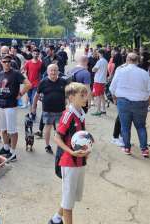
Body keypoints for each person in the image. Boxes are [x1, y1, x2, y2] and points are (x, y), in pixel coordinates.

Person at [48, 82, 91, 224]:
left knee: (71, 196)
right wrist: (71, 152)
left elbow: (81, 136)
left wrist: (88, 146)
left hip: (81, 160)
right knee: (68, 201)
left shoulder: (80, 113)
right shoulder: (68, 114)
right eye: (82, 95)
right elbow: (57, 137)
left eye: (86, 94)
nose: (86, 97)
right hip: (69, 162)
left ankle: (56, 219)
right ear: (71, 97)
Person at [109, 53, 150, 157]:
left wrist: (115, 99)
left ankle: (127, 148)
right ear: (138, 61)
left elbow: (112, 88)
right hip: (140, 102)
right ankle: (144, 149)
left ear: (127, 60)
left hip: (123, 101)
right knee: (141, 126)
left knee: (125, 127)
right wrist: (148, 103)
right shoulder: (143, 73)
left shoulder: (120, 71)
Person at [0, 55, 31, 162]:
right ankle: (6, 148)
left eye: (9, 61)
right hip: (0, 105)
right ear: (1, 62)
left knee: (12, 130)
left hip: (10, 106)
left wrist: (20, 93)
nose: (7, 63)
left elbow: (28, 84)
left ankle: (13, 153)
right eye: (4, 61)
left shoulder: (16, 73)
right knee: (3, 129)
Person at [32, 64, 68, 154]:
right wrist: (33, 107)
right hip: (48, 110)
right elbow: (36, 95)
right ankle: (47, 146)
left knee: (61, 129)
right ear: (47, 72)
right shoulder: (43, 82)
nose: (53, 72)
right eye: (51, 70)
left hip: (61, 110)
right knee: (48, 128)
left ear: (58, 72)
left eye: (55, 70)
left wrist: (69, 105)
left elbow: (68, 95)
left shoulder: (63, 82)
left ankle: (61, 145)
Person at [91, 49, 108, 116]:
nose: (97, 54)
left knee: (98, 96)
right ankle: (103, 109)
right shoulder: (105, 61)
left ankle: (98, 110)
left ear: (101, 54)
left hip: (98, 80)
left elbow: (94, 69)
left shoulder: (100, 61)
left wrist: (93, 69)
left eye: (98, 53)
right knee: (102, 95)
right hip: (103, 80)